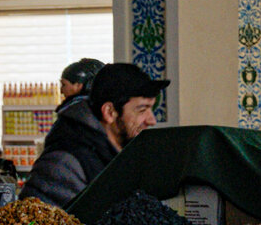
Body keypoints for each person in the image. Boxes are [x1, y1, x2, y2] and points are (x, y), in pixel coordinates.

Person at [20, 63, 169, 208]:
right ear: (109, 112)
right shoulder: (63, 165)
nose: (152, 120)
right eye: (142, 110)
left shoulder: (122, 154)